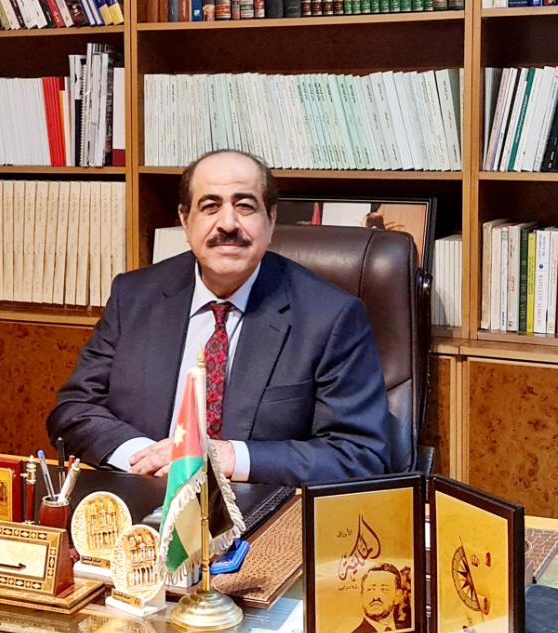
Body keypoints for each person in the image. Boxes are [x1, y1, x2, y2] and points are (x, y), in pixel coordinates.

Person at [47, 149, 390, 486]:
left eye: (245, 206)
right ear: (185, 220)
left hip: (255, 510)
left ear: (271, 220)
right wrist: (148, 458)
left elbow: (358, 455)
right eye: (210, 206)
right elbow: (75, 410)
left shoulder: (331, 317)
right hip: (144, 500)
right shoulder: (134, 296)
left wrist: (228, 458)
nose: (228, 224)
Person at [347, 563, 409, 633]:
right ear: (362, 595)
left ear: (397, 596)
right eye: (370, 589)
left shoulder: (407, 630)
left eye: (384, 589)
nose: (376, 597)